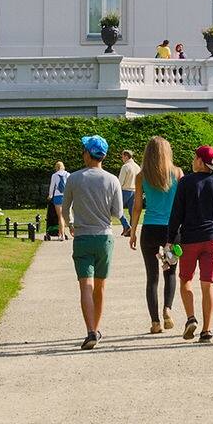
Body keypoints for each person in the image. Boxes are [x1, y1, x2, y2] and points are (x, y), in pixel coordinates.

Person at [66, 136, 122, 350]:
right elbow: (117, 212)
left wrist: (71, 223)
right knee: (100, 286)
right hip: (104, 237)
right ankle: (96, 330)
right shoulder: (112, 180)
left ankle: (90, 331)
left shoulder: (74, 178)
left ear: (88, 154)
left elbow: (65, 209)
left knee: (85, 286)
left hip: (82, 237)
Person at [171, 145, 213, 343]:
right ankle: (206, 330)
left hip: (190, 240)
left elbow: (177, 213)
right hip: (212, 238)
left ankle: (191, 318)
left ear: (199, 161)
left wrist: (171, 239)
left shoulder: (186, 182)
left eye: (195, 158)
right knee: (208, 285)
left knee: (185, 280)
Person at [125, 136, 180, 334]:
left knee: (152, 277)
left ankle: (155, 322)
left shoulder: (142, 176)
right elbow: (181, 204)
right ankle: (167, 309)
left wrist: (132, 231)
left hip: (149, 229)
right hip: (170, 231)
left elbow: (137, 207)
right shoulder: (177, 173)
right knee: (170, 273)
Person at [117, 146, 141, 231]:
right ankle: (132, 230)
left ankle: (126, 226)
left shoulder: (125, 166)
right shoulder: (137, 167)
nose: (122, 158)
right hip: (135, 191)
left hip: (125, 191)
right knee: (133, 212)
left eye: (122, 156)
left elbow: (120, 182)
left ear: (126, 156)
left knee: (118, 209)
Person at [47, 160, 69, 238]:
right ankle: (61, 233)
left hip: (57, 196)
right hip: (66, 196)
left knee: (60, 216)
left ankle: (62, 234)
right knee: (65, 216)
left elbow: (52, 186)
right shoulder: (68, 174)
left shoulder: (54, 175)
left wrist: (50, 195)